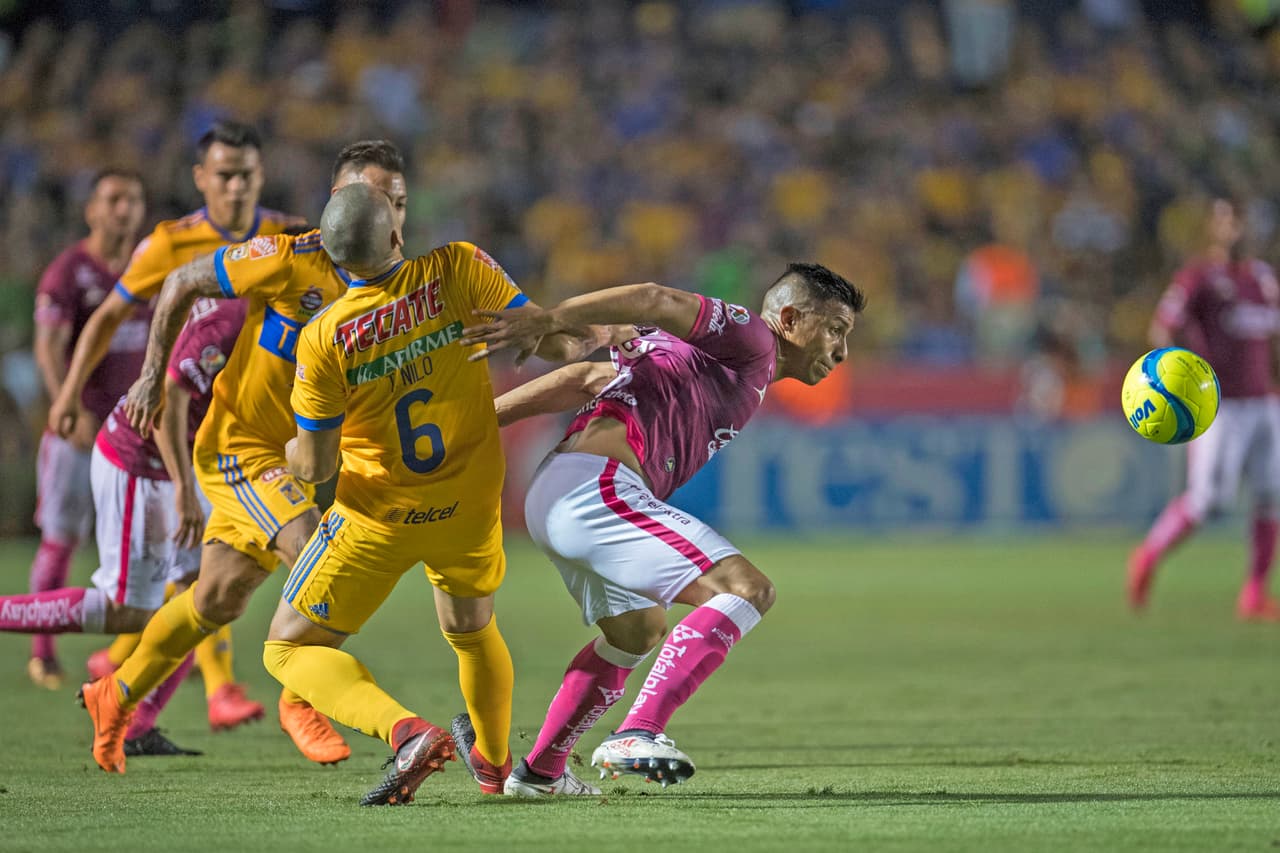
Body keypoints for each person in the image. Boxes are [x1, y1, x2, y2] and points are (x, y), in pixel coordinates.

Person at [263, 182, 617, 806]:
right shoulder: (458, 267)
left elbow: (314, 466)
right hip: (468, 503)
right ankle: (495, 763)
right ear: (397, 235)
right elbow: (551, 338)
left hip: (377, 515)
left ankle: (407, 735)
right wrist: (596, 332)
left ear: (335, 260)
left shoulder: (322, 339)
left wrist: (290, 452)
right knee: (472, 628)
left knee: (287, 649)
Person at [457, 262, 864, 795]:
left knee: (638, 630)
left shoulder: (695, 360)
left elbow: (585, 378)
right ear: (788, 317)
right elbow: (653, 297)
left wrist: (478, 423)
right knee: (746, 590)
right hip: (595, 488)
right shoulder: (753, 338)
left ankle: (540, 772)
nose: (841, 350)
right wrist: (549, 317)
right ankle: (637, 732)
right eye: (835, 329)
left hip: (562, 492)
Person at [74, 141, 411, 775]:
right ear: (340, 203)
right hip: (241, 451)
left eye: (399, 203)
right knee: (318, 548)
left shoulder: (399, 286)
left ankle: (112, 695)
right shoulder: (290, 257)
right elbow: (181, 281)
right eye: (376, 201)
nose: (391, 217)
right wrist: (152, 374)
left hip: (294, 462)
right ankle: (300, 694)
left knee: (217, 600)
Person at [48, 119, 305, 728]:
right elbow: (109, 316)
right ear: (201, 178)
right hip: (173, 422)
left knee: (202, 576)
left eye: (246, 175)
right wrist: (68, 391)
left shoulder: (287, 236)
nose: (236, 187)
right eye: (224, 175)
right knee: (192, 576)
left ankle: (142, 686)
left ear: (260, 176)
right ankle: (184, 685)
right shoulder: (170, 244)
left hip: (240, 430)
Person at [2, 298, 247, 757]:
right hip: (143, 460)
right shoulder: (231, 322)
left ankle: (135, 722)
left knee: (207, 599)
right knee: (131, 612)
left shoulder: (278, 308)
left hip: (188, 462)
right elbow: (162, 409)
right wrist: (184, 490)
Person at [1128, 197, 1280, 620]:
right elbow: (1162, 327)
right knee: (1207, 501)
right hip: (1223, 407)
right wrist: (1187, 377)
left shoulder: (1264, 279)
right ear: (1216, 227)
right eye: (1230, 219)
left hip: (1265, 403)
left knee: (1271, 497)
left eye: (1245, 220)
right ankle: (1148, 555)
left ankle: (1254, 594)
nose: (1239, 229)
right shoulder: (1199, 277)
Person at [26, 169, 146, 689]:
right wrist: (65, 405)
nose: (124, 209)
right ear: (91, 210)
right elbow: (49, 347)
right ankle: (42, 654)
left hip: (136, 434)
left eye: (133, 199)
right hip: (81, 429)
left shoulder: (149, 266)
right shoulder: (68, 272)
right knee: (62, 539)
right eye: (114, 199)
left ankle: (135, 653)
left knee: (143, 545)